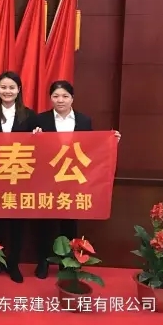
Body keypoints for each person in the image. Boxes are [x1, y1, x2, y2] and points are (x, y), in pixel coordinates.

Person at [32, 80, 121, 279]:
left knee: (69, 222)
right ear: (50, 98)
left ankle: (67, 263)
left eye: (65, 96)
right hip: (48, 178)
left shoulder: (84, 120)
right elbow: (31, 149)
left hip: (73, 178)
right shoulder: (40, 119)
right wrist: (34, 136)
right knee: (45, 223)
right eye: (56, 96)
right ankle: (43, 261)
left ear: (72, 98)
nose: (60, 100)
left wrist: (111, 141)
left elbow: (92, 147)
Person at [0, 71, 37, 283]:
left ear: (19, 90)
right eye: (3, 87)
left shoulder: (30, 116)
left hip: (19, 176)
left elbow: (39, 147)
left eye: (11, 87)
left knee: (16, 224)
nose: (7, 91)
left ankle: (13, 264)